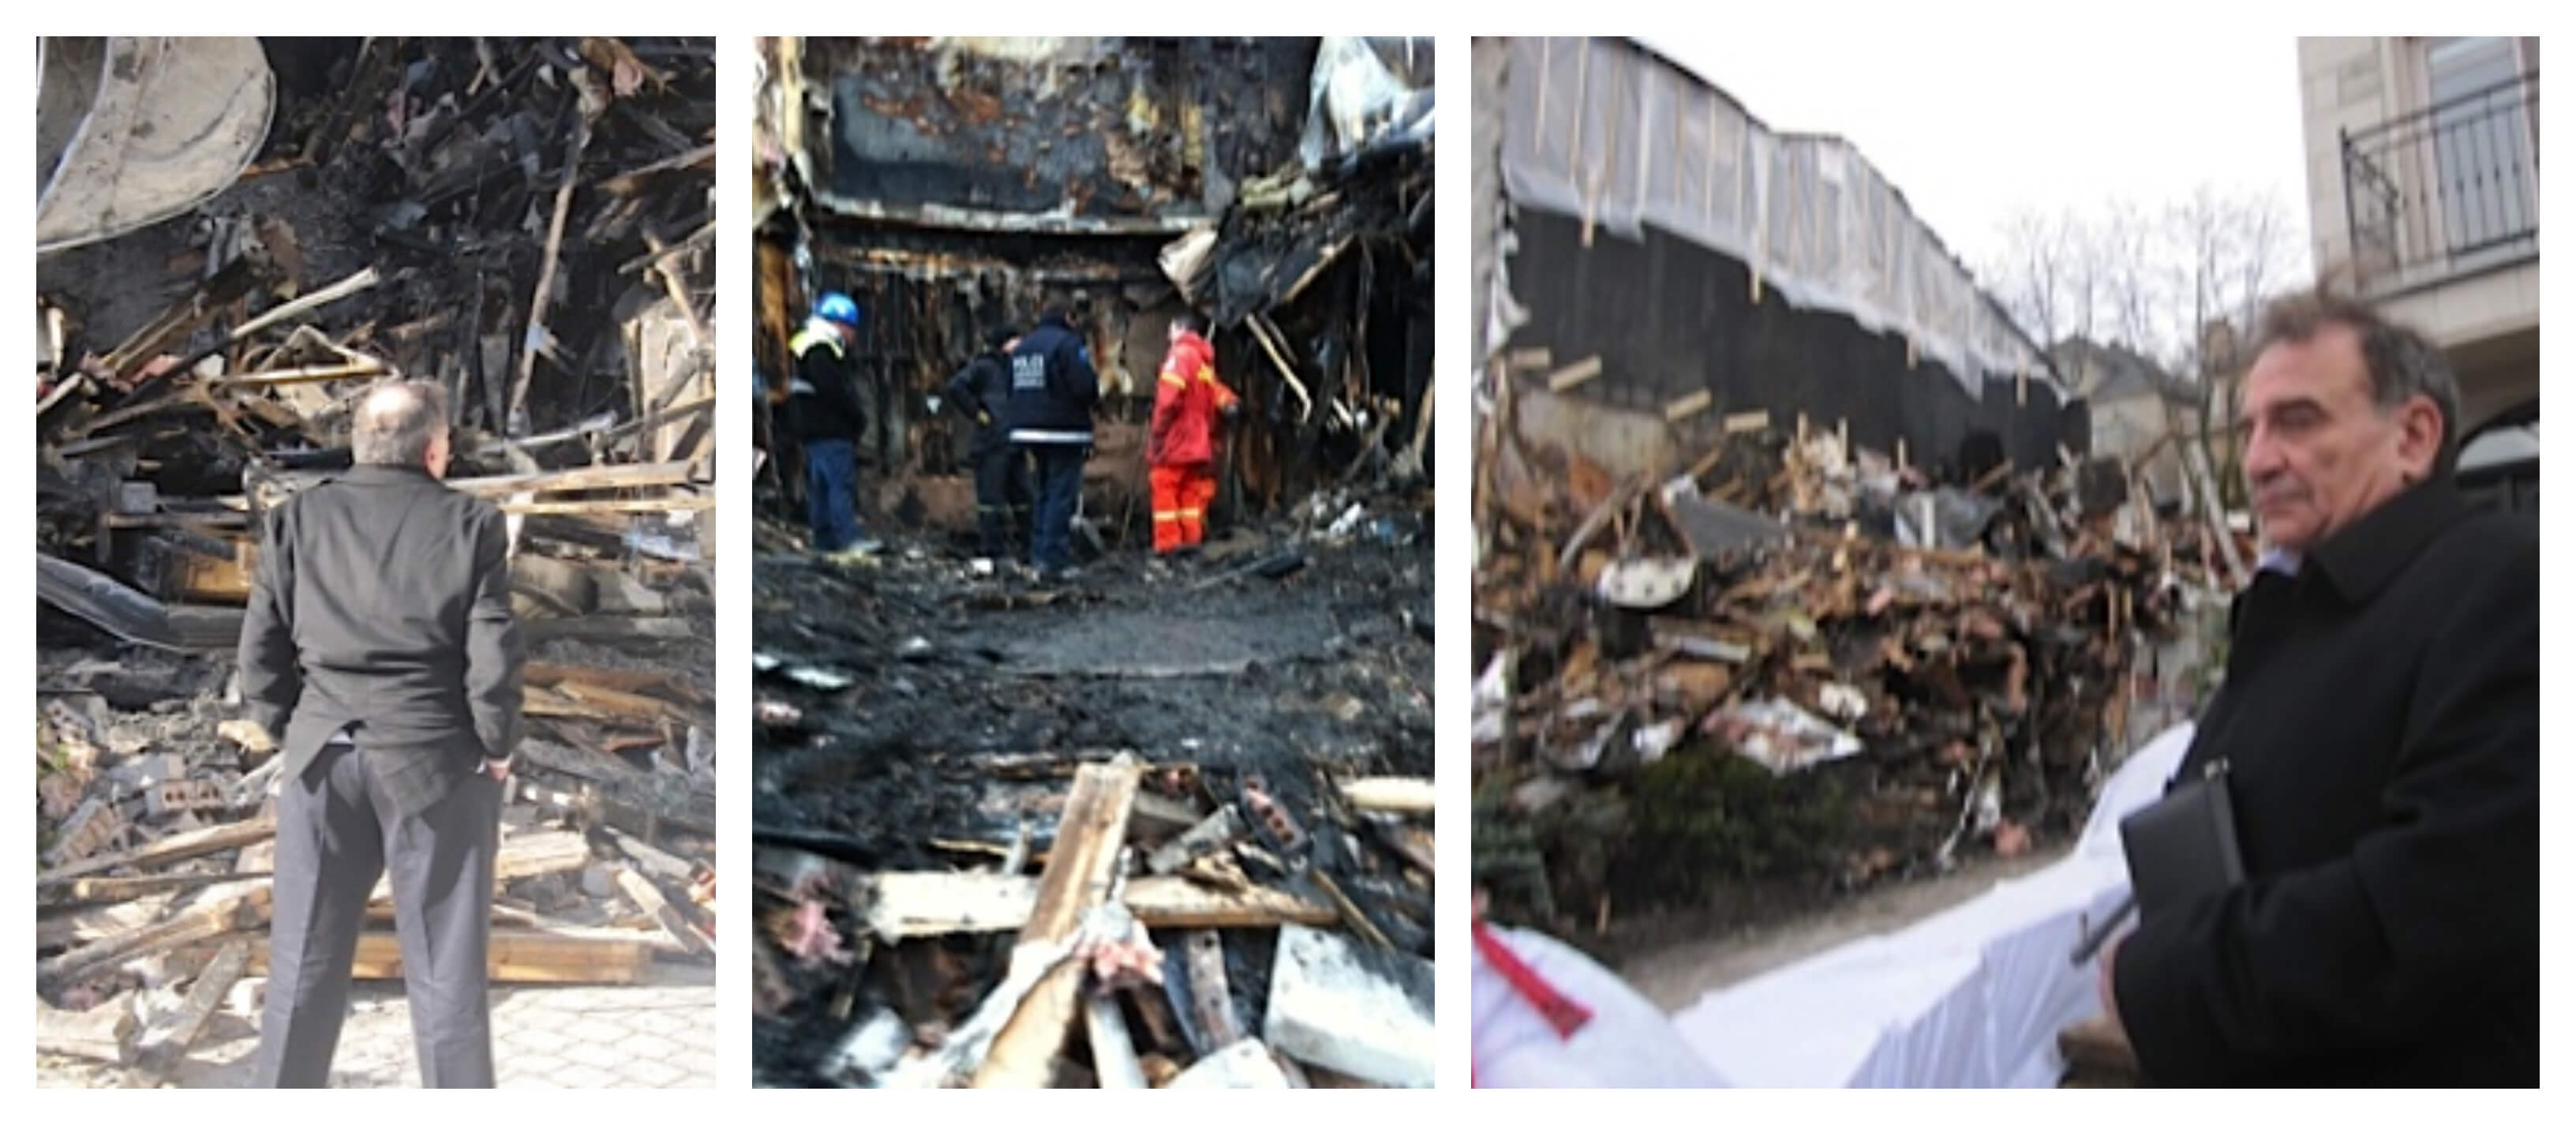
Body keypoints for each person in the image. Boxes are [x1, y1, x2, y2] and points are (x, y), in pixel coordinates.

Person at [2098, 294, 2537, 1086]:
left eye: (2297, 421)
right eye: (2251, 429)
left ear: (2413, 437)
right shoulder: (2301, 605)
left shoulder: (2509, 586)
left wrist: (2164, 977)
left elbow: (2436, 913)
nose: (2261, 460)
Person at [238, 379, 525, 1088]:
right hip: (433, 765)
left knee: (301, 963)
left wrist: (290, 733)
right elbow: (493, 655)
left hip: (322, 762)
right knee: (445, 977)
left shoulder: (295, 520)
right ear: (433, 449)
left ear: (360, 444)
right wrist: (496, 744)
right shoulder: (472, 524)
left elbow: (259, 654)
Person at [1005, 302, 1099, 581]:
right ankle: (1053, 561)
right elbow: (1085, 387)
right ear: (1067, 318)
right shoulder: (1068, 345)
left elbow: (1010, 387)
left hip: (1027, 430)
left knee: (1043, 493)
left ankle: (1038, 554)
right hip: (1063, 430)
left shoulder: (1022, 349)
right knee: (1060, 495)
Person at [788, 292, 878, 558]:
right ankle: (847, 539)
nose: (853, 336)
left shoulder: (804, 343)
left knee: (821, 487)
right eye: (852, 329)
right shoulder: (823, 349)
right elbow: (836, 390)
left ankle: (824, 540)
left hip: (812, 429)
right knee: (840, 485)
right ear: (840, 324)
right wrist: (857, 418)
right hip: (831, 427)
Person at [1148, 311, 1238, 556]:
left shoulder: (1179, 357)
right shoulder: (1204, 363)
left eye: (1170, 330)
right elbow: (1217, 396)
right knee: (1189, 494)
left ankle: (1168, 547)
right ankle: (1191, 543)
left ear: (1179, 329)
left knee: (1164, 488)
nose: (1168, 336)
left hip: (1176, 440)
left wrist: (1157, 434)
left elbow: (1168, 401)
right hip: (1199, 443)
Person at [945, 325, 1032, 564]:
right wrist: (978, 413)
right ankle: (992, 547)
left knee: (1023, 496)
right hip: (991, 443)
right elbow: (956, 387)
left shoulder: (1018, 368)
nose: (1020, 346)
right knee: (991, 499)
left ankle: (1028, 543)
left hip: (1014, 441)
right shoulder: (985, 367)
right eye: (1015, 341)